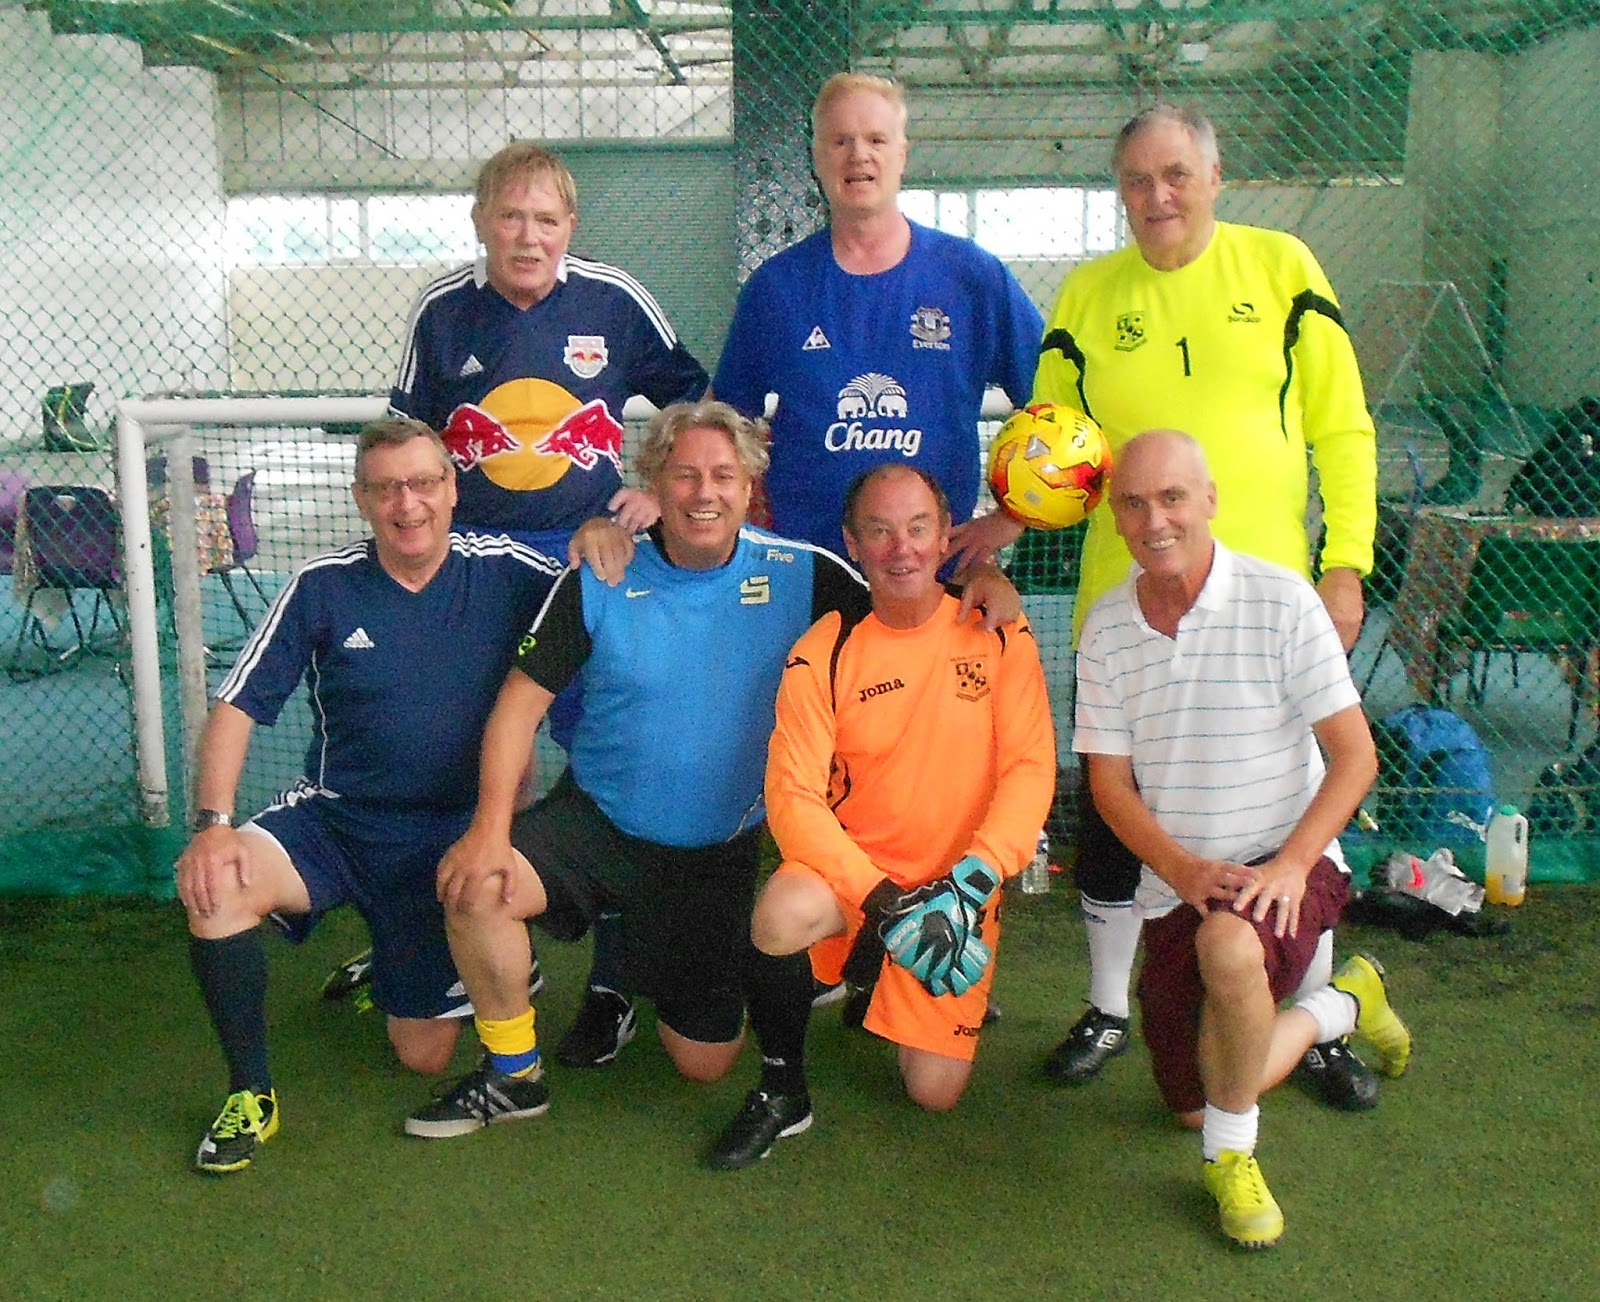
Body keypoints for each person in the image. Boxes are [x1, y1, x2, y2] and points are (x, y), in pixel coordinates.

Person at [408, 401, 1005, 1161]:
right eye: (684, 473)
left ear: (751, 484)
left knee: (704, 1062)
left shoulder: (806, 575)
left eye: (723, 474)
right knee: (474, 884)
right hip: (595, 824)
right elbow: (516, 711)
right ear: (653, 480)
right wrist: (490, 831)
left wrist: (986, 578)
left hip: (713, 852)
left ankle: (624, 970)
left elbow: (911, 613)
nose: (704, 492)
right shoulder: (604, 573)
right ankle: (513, 1071)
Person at [328, 142, 709, 1066]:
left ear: (570, 228)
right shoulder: (443, 312)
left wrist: (654, 490)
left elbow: (694, 397)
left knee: (604, 760)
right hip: (473, 576)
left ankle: (615, 980)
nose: (528, 235)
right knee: (471, 752)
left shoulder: (614, 302)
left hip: (589, 572)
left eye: (546, 219)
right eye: (510, 217)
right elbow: (407, 437)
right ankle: (478, 944)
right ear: (480, 223)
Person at [1029, 103, 1380, 1104]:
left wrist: (1345, 563)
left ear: (1215, 178)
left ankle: (1309, 1013)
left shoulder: (1281, 269)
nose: (1157, 197)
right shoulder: (1087, 295)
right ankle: (1106, 1005)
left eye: (1176, 174)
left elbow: (1342, 431)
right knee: (1114, 811)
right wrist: (997, 530)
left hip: (1268, 612)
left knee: (1287, 818)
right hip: (1124, 609)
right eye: (1136, 180)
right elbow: (1052, 452)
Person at [175, 418, 564, 1174]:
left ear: (452, 489)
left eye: (423, 483)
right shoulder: (322, 586)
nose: (407, 505)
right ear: (361, 500)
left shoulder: (509, 573)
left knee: (423, 1055)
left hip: (451, 839)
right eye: (386, 489)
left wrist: (609, 540)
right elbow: (237, 706)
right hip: (336, 820)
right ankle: (251, 1092)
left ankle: (429, 954)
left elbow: (598, 609)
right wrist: (213, 825)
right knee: (214, 888)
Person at [1074, 430, 1409, 1248]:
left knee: (1230, 950)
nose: (1156, 519)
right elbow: (1109, 786)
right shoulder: (1107, 630)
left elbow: (1356, 756)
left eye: (1174, 497)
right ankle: (1339, 1005)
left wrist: (1294, 864)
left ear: (1212, 500)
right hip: (1180, 882)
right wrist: (1181, 868)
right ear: (1115, 518)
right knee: (1192, 1096)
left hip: (1286, 862)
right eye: (1135, 503)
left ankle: (1234, 1159)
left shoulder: (1284, 601)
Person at [748, 464, 1055, 1115]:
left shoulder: (999, 631)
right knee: (779, 913)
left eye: (918, 528)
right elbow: (792, 799)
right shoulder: (823, 649)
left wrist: (971, 884)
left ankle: (885, 974)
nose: (902, 547)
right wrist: (886, 904)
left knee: (933, 1093)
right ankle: (782, 1090)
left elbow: (1030, 771)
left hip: (957, 894)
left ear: (946, 534)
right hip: (860, 887)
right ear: (852, 543)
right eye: (880, 531)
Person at [711, 72, 1043, 566]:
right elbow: (725, 420)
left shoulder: (972, 277)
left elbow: (1057, 407)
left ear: (902, 154)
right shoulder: (777, 288)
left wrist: (1012, 517)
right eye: (840, 140)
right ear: (816, 157)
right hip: (810, 572)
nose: (858, 155)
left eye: (876, 139)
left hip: (936, 574)